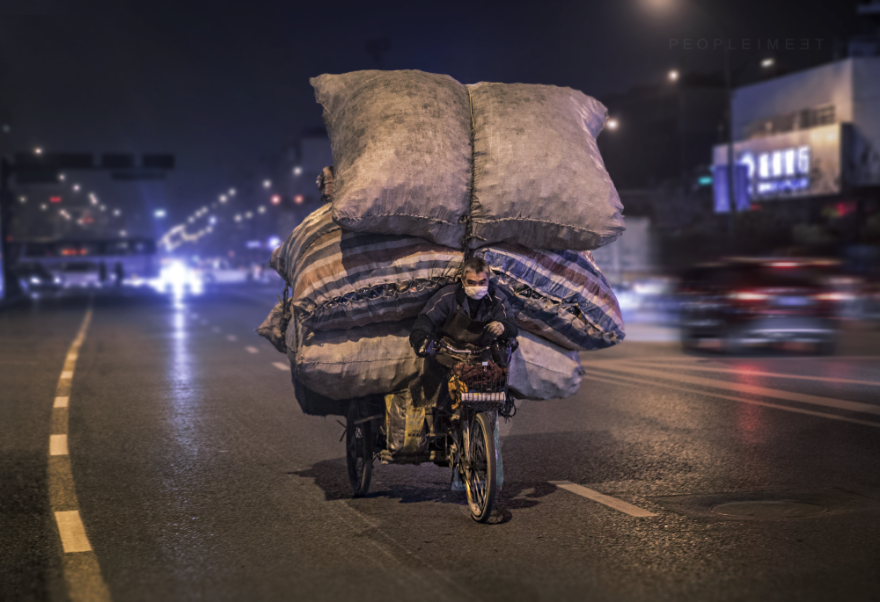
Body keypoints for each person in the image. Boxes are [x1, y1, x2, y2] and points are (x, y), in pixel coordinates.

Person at [409, 257, 518, 409]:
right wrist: (420, 337)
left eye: (482, 282)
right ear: (462, 280)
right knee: (437, 399)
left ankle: (485, 426)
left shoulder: (497, 299)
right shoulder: (447, 296)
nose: (477, 287)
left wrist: (502, 327)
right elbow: (426, 319)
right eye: (471, 283)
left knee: (492, 391)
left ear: (488, 281)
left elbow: (512, 326)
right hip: (449, 355)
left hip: (481, 356)